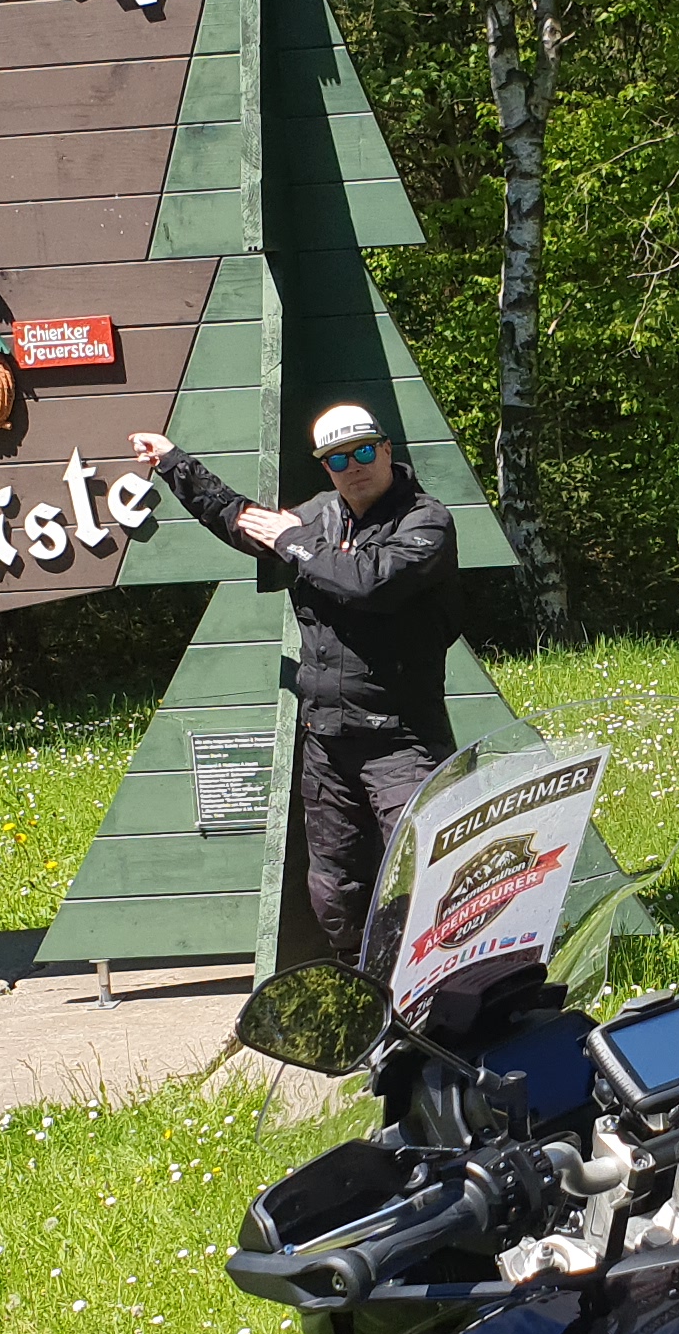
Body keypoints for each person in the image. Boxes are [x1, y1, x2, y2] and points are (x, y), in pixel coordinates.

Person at [128, 405, 459, 969]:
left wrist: (295, 542)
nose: (353, 467)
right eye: (338, 459)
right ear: (326, 467)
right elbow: (240, 520)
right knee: (335, 887)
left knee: (426, 868)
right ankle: (360, 982)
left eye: (362, 451)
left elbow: (367, 582)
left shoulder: (425, 521)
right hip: (327, 741)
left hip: (402, 739)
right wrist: (175, 463)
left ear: (385, 449)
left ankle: (436, 982)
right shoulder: (316, 517)